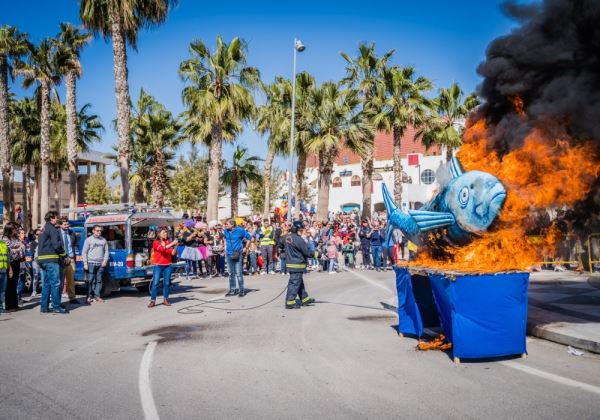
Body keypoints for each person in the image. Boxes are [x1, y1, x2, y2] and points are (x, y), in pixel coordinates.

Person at [38, 211, 68, 314]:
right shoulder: (53, 229)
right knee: (55, 283)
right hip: (51, 260)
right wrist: (64, 255)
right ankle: (56, 307)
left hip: (42, 260)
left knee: (46, 284)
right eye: (56, 217)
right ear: (51, 218)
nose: (57, 219)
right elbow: (56, 245)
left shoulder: (43, 228)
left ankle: (44, 307)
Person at [283, 220, 315, 309]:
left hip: (291, 264)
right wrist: (317, 254)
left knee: (299, 282)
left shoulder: (288, 237)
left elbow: (281, 244)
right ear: (295, 229)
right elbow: (307, 252)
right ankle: (290, 302)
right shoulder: (298, 239)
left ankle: (304, 299)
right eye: (300, 230)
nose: (302, 232)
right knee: (294, 283)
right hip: (297, 264)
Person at [148, 228, 178, 308]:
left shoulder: (168, 242)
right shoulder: (155, 242)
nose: (166, 234)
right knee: (155, 283)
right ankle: (152, 300)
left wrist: (175, 246)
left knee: (167, 283)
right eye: (164, 232)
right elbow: (162, 249)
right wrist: (172, 244)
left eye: (166, 233)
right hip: (158, 265)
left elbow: (172, 253)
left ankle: (165, 299)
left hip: (167, 265)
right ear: (159, 234)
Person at [223, 219, 251, 297]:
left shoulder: (240, 230)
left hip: (238, 253)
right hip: (229, 253)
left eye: (227, 224)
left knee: (238, 273)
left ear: (232, 225)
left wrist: (246, 247)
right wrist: (225, 246)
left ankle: (241, 290)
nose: (226, 225)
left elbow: (249, 237)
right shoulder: (225, 231)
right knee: (231, 273)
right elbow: (225, 238)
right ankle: (232, 290)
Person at [82, 225, 109, 304]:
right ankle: (89, 297)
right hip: (91, 263)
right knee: (90, 281)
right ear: (93, 231)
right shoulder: (88, 240)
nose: (99, 232)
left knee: (99, 281)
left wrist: (105, 261)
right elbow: (84, 252)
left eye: (100, 231)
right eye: (97, 230)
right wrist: (85, 264)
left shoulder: (103, 240)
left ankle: (97, 296)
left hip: (100, 264)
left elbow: (106, 251)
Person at [59, 217, 79, 304]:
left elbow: (73, 245)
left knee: (71, 280)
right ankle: (58, 299)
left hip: (71, 259)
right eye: (65, 224)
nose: (67, 226)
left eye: (68, 224)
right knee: (60, 280)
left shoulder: (72, 233)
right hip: (61, 259)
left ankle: (72, 297)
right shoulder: (57, 233)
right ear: (60, 225)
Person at [0, 239, 9, 314]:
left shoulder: (3, 244)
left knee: (2, 291)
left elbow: (8, 258)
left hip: (3, 270)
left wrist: (10, 269)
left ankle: (1, 308)